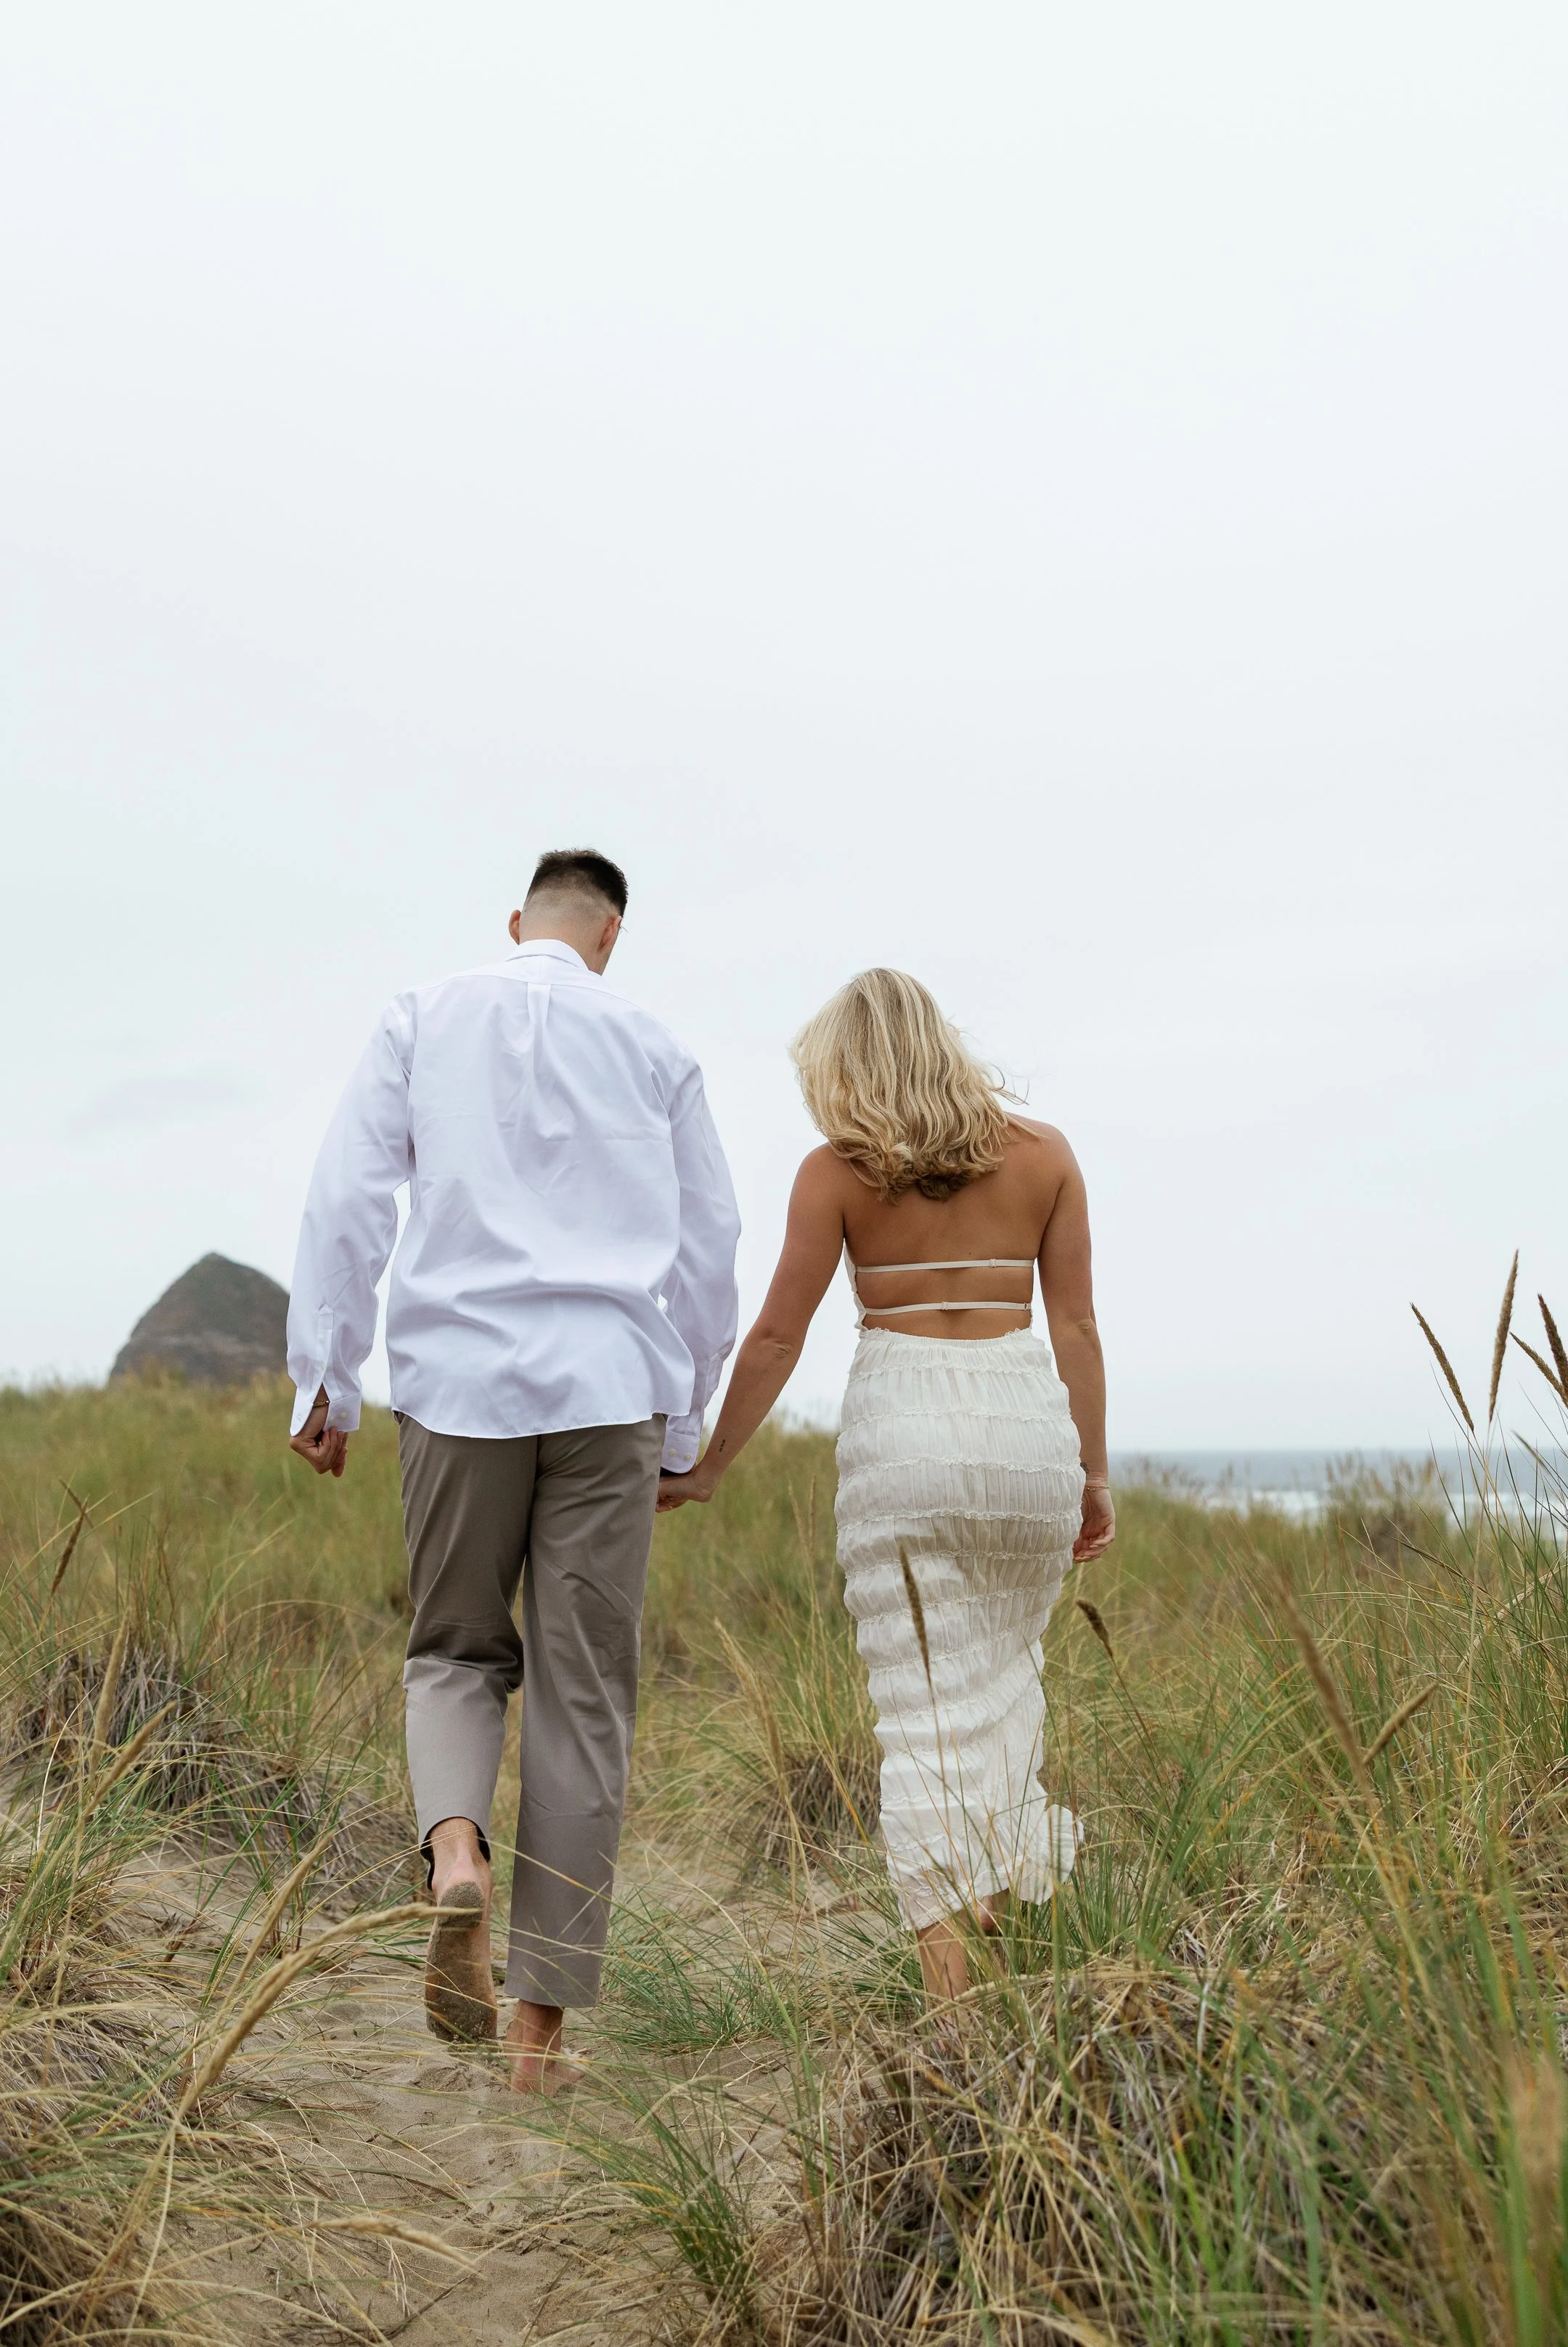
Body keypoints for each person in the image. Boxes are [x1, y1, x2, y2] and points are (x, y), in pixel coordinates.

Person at [285, 849, 740, 2091]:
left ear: (515, 924)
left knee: (453, 1650)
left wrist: (325, 1378)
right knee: (585, 1692)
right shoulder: (654, 1044)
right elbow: (711, 1247)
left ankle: (453, 1861)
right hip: (609, 1390)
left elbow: (347, 1202)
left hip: (461, 1384)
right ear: (607, 938)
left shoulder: (423, 1015)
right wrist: (689, 1424)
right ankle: (539, 2040)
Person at [658, 968, 1112, 1999]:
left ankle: (952, 2011)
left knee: (922, 1716)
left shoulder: (836, 1174)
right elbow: (1077, 1326)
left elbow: (778, 1334)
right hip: (1026, 1434)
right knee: (1005, 1685)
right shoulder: (1047, 1158)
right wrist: (1095, 1474)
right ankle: (996, 1900)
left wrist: (710, 1463)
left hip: (906, 1439)